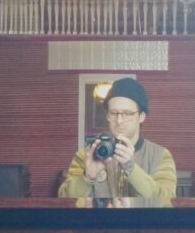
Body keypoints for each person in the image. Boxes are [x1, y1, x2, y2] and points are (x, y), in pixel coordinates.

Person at [57, 78, 176, 207]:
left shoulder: (160, 155)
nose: (119, 121)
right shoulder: (86, 155)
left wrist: (132, 169)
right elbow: (64, 201)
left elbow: (167, 201)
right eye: (113, 113)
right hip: (97, 226)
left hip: (142, 226)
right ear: (107, 115)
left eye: (127, 113)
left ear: (141, 116)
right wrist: (87, 178)